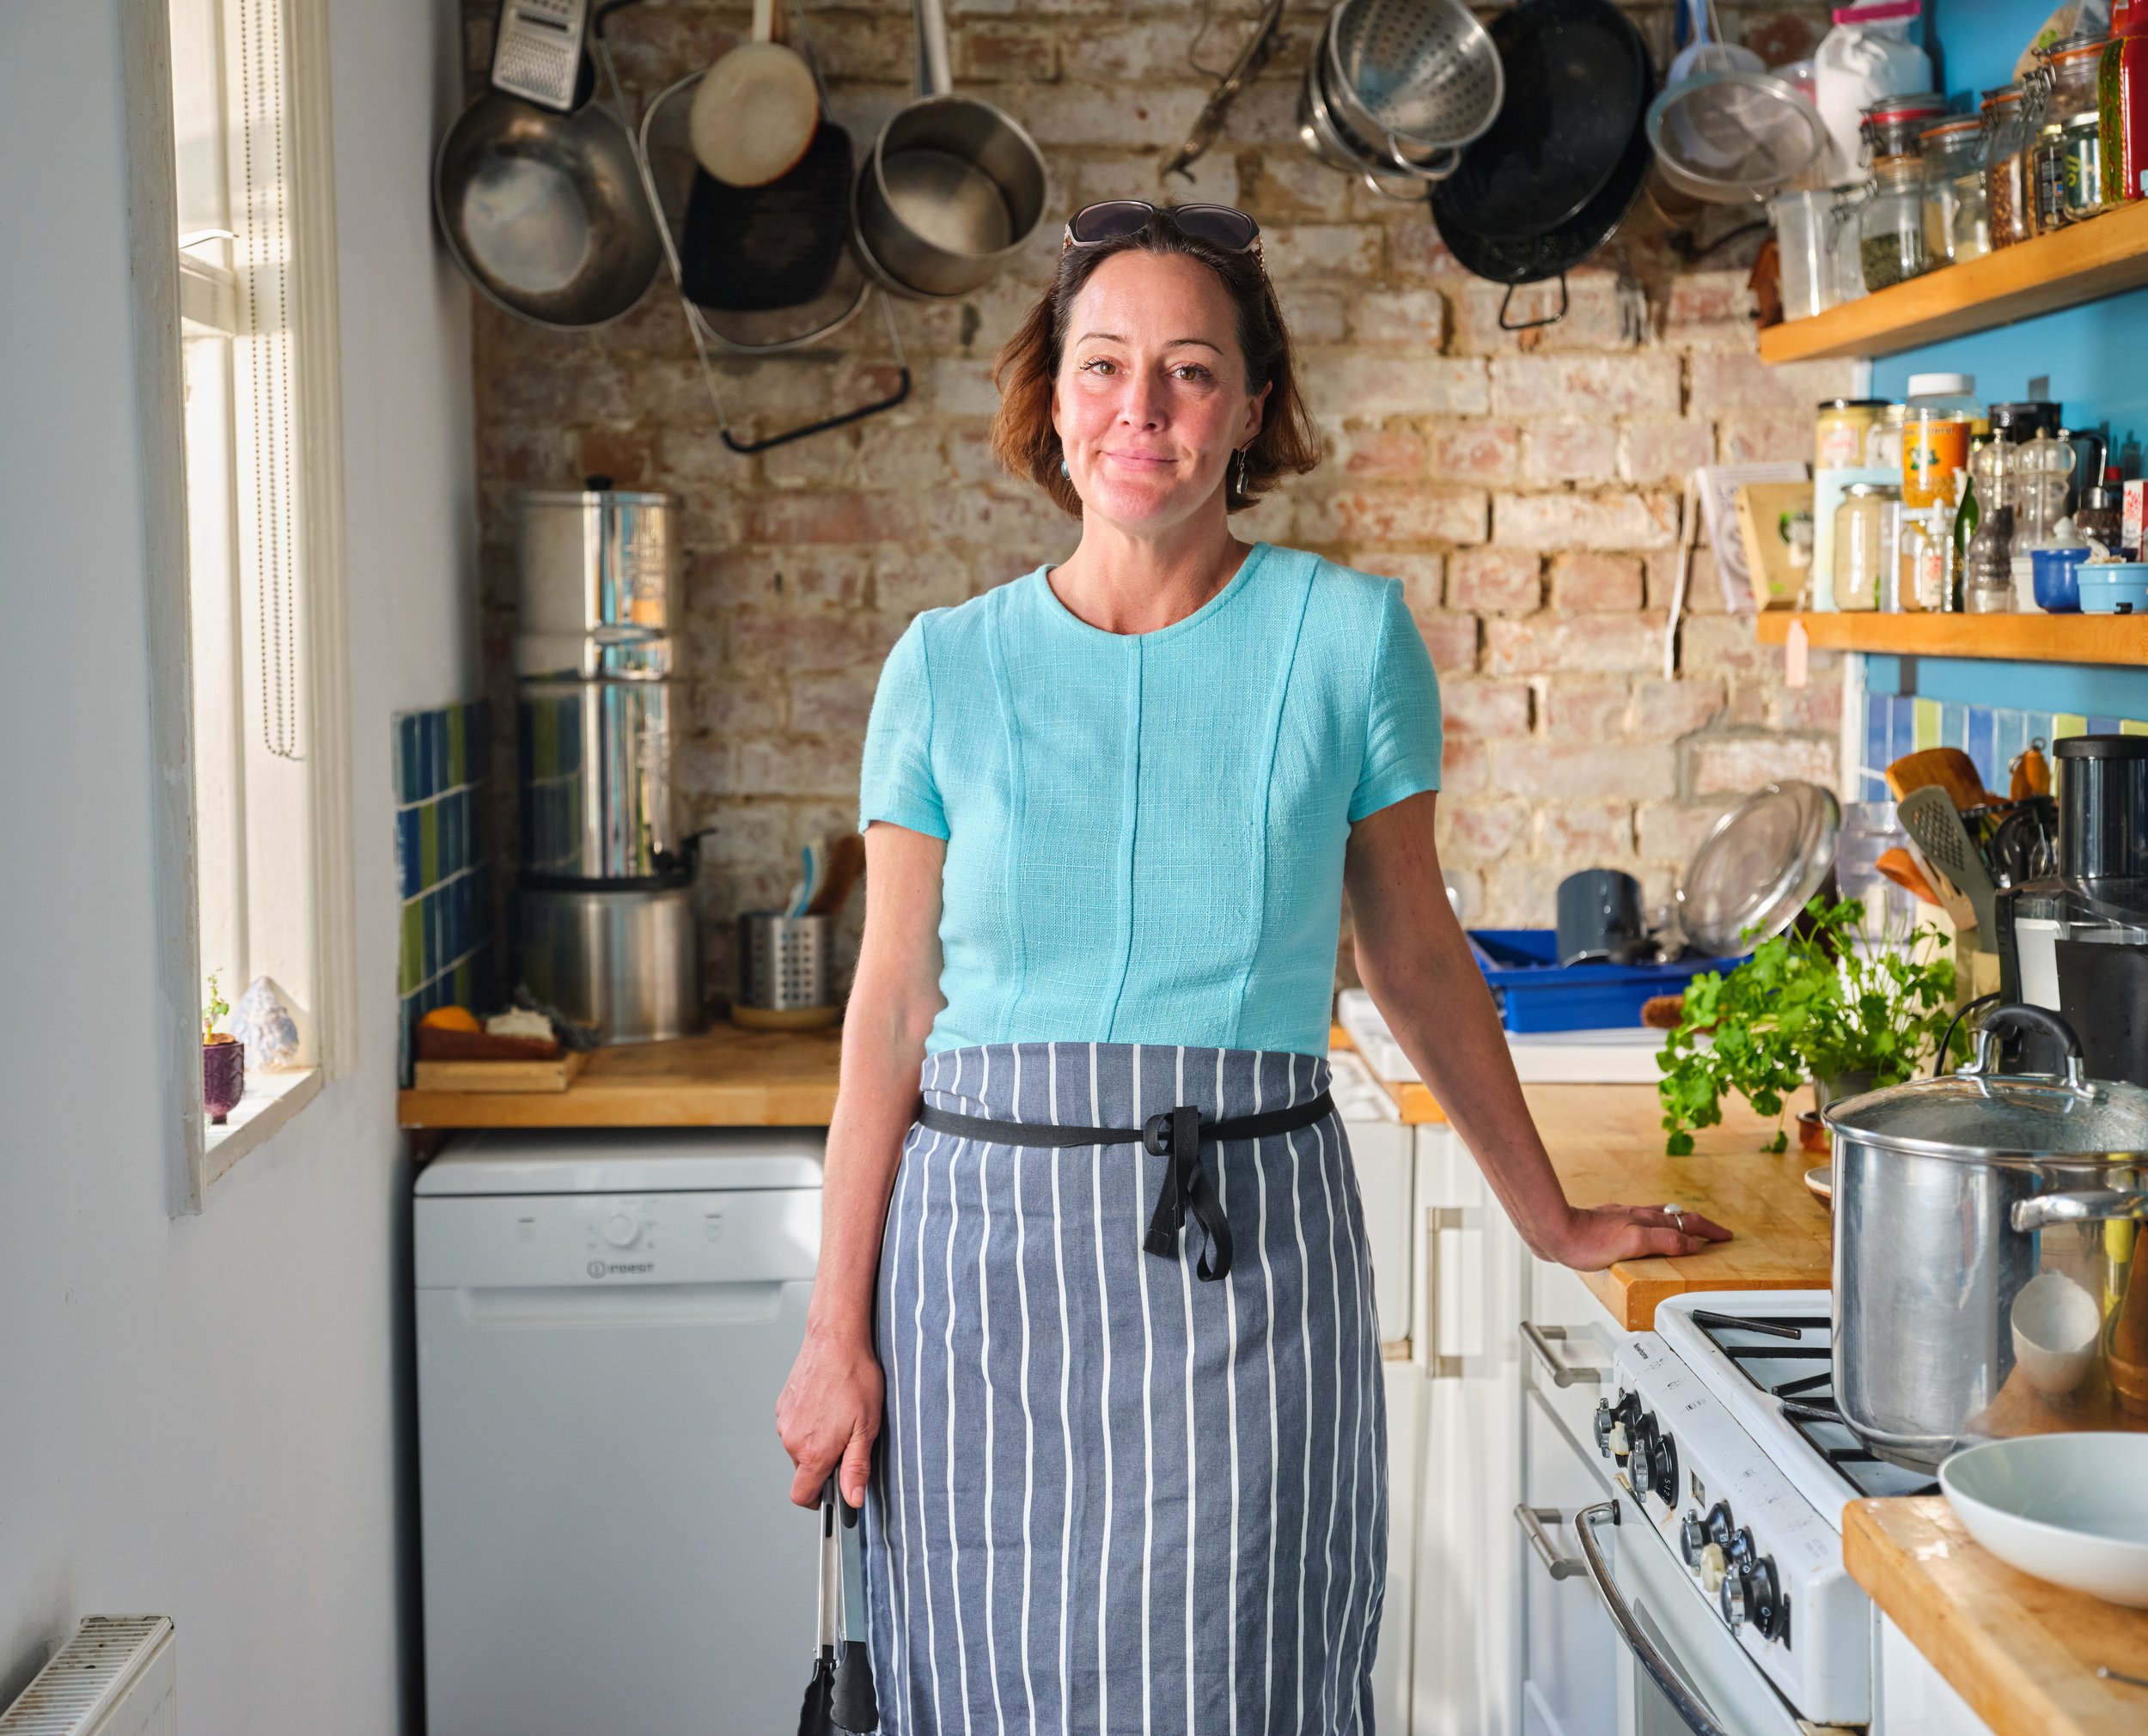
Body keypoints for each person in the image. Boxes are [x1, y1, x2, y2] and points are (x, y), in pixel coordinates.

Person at [776, 199, 1730, 1735]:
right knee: (985, 1685)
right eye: (1101, 368)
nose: (1137, 412)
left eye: (1188, 371)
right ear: (1052, 396)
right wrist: (835, 1333)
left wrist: (1544, 1215)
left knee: (1252, 1677)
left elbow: (1413, 954)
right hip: (979, 1288)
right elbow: (888, 1014)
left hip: (1247, 1253)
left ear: (1254, 406)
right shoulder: (943, 666)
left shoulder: (1349, 639)